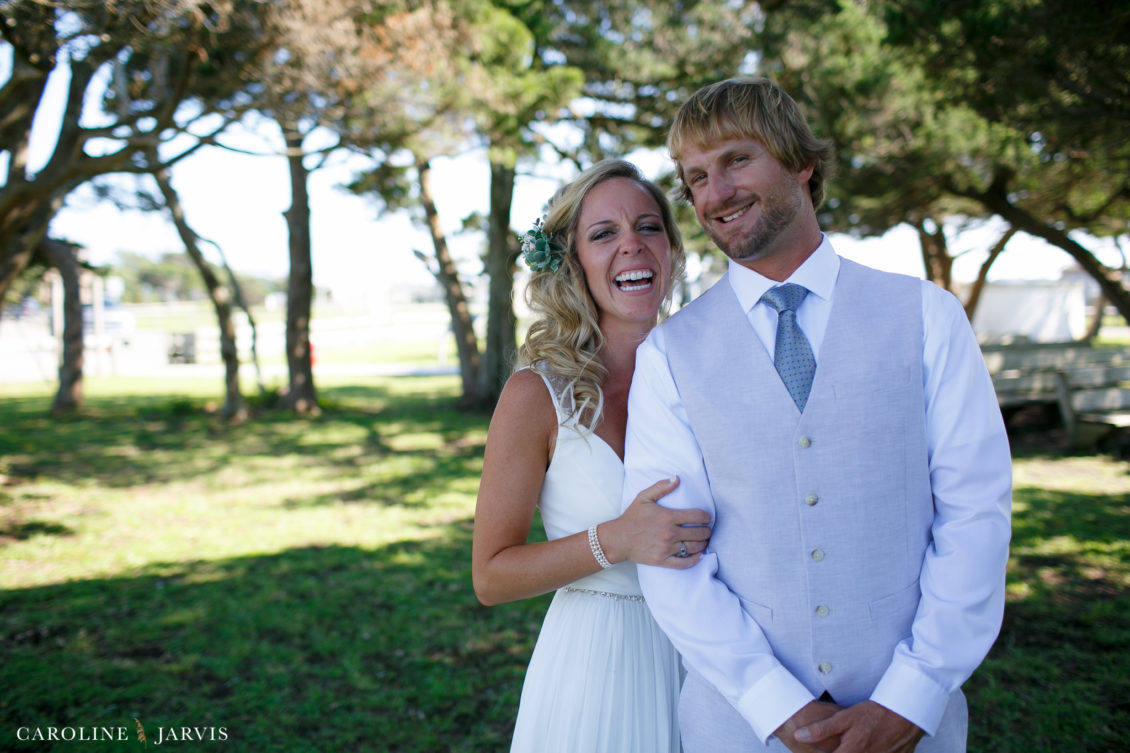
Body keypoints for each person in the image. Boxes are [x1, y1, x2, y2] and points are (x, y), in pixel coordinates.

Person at [621, 76, 1012, 753]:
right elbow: (671, 552)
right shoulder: (668, 354)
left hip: (912, 723)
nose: (715, 193)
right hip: (740, 727)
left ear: (801, 161)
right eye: (696, 178)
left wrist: (911, 696)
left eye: (736, 160)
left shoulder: (927, 317)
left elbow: (975, 514)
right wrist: (775, 705)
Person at [472, 159, 712, 753]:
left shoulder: (712, 374)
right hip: (598, 670)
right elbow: (491, 577)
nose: (632, 244)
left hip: (716, 663)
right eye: (604, 233)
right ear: (574, 261)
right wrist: (616, 540)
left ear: (671, 249)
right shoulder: (537, 394)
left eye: (649, 226)